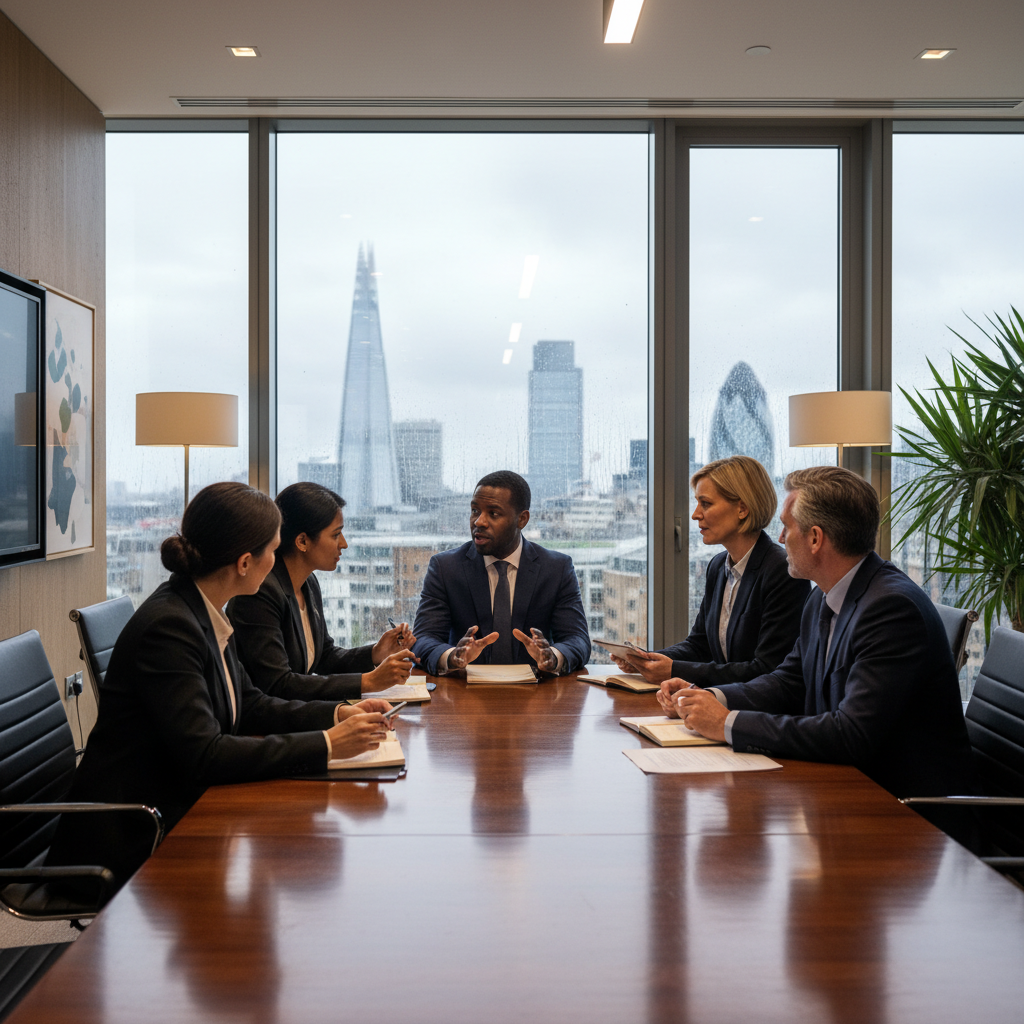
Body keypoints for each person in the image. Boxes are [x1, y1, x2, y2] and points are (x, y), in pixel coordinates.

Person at [47, 482, 395, 889]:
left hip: (176, 806)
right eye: (273, 551)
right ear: (245, 562)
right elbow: (206, 755)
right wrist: (328, 743)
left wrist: (338, 714)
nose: (277, 563)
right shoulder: (170, 628)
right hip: (134, 834)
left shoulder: (203, 609)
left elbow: (251, 703)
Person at [665, 465, 974, 800]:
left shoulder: (892, 610)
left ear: (815, 538)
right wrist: (712, 698)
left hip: (903, 809)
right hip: (843, 787)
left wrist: (728, 723)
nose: (780, 538)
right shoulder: (822, 597)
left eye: (786, 527)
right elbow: (788, 681)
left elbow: (851, 734)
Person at [609, 455, 809, 687]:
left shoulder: (782, 571)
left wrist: (673, 670)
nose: (695, 514)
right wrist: (646, 660)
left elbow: (767, 669)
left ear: (742, 509)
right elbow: (699, 645)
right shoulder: (717, 566)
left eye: (705, 503)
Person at [228, 481, 417, 701]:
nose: (344, 544)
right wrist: (368, 681)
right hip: (264, 720)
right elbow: (279, 684)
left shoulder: (308, 583)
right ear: (302, 541)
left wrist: (375, 652)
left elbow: (324, 657)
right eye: (336, 534)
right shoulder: (260, 595)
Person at [411, 471, 591, 676]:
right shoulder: (446, 567)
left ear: (522, 519)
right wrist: (452, 657)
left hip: (537, 691)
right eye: (475, 510)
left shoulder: (556, 568)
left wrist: (553, 657)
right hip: (465, 690)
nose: (479, 521)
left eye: (493, 513)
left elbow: (577, 640)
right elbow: (423, 639)